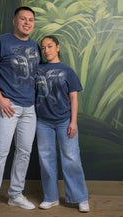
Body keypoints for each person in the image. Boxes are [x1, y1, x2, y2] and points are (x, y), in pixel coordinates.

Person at [0, 6, 40, 217]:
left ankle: (15, 194)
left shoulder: (34, 45)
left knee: (24, 152)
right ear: (14, 21)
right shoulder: (1, 41)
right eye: (23, 19)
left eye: (31, 20)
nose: (27, 23)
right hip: (8, 106)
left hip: (29, 108)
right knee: (0, 151)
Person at [35, 35, 90, 212]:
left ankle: (80, 198)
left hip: (64, 120)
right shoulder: (38, 70)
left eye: (49, 46)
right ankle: (51, 197)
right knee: (46, 160)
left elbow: (73, 97)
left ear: (57, 47)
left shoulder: (67, 71)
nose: (46, 50)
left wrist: (73, 122)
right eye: (43, 48)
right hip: (43, 122)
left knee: (71, 159)